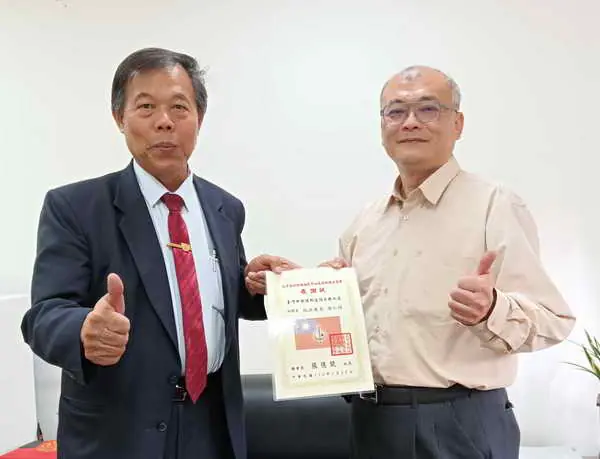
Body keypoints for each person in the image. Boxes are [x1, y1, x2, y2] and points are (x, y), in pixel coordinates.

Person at [21, 47, 298, 459]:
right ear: (120, 118)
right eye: (146, 106)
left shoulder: (225, 208)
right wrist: (83, 330)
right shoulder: (75, 207)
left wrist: (254, 286)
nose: (164, 121)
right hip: (119, 434)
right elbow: (44, 315)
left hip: (212, 426)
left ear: (199, 118)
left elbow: (212, 301)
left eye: (179, 107)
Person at [319, 66, 576, 458]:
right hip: (370, 420)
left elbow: (554, 320)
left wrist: (491, 310)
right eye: (395, 111)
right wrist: (311, 290)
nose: (410, 122)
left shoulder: (494, 205)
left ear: (457, 123)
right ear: (382, 127)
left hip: (459, 420)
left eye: (428, 109)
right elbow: (351, 326)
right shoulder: (366, 222)